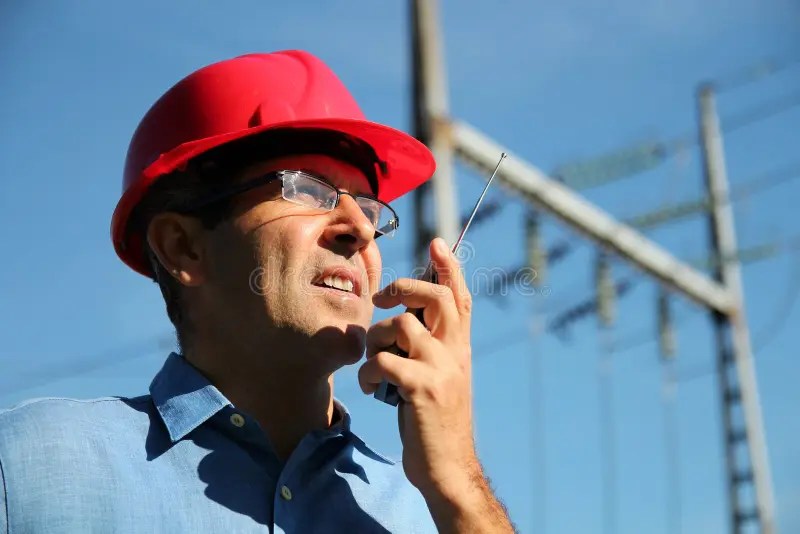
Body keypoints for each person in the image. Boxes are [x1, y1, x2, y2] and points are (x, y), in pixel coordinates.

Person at [0, 50, 515, 533]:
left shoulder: (428, 518)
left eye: (369, 207)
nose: (359, 228)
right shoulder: (27, 467)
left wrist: (462, 489)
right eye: (308, 189)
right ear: (183, 247)